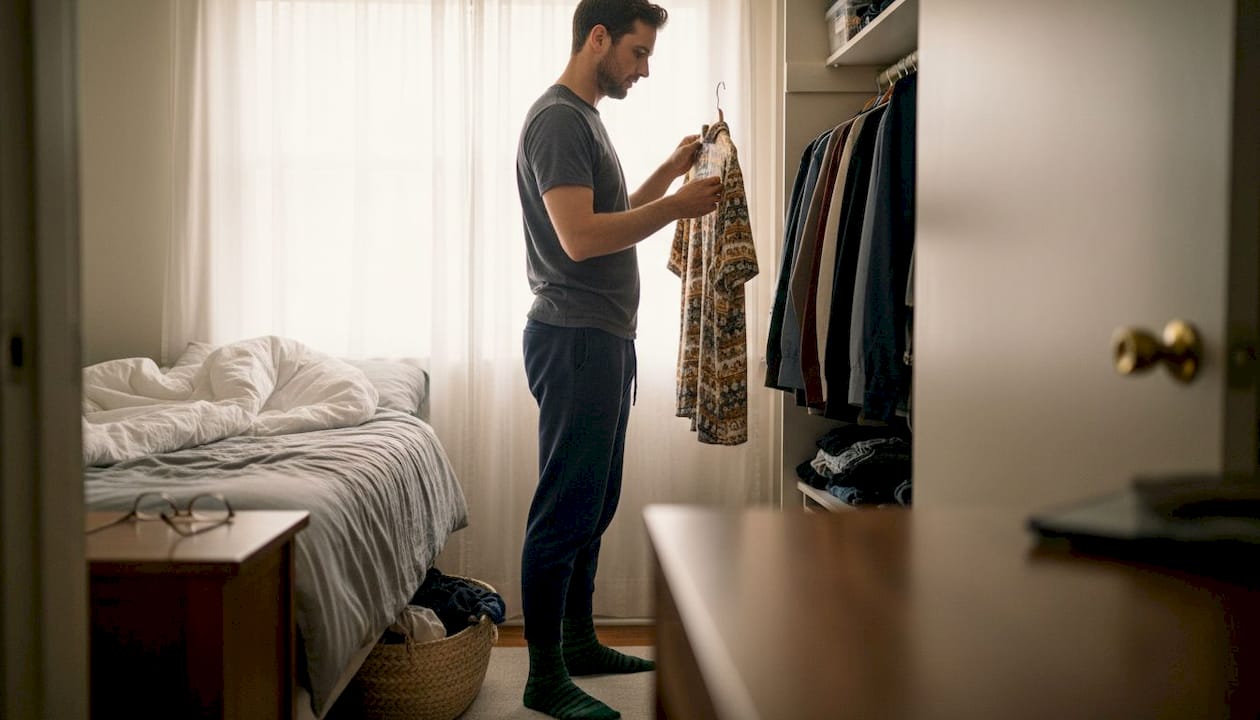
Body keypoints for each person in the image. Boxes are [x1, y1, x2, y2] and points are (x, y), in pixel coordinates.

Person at [514, 1, 723, 717]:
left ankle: (577, 641)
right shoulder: (559, 121)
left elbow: (607, 216)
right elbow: (579, 240)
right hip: (574, 338)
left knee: (595, 503)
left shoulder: (585, 121)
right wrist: (678, 207)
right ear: (597, 38)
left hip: (599, 338)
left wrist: (668, 173)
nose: (644, 69)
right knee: (565, 510)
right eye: (637, 53)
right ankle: (544, 679)